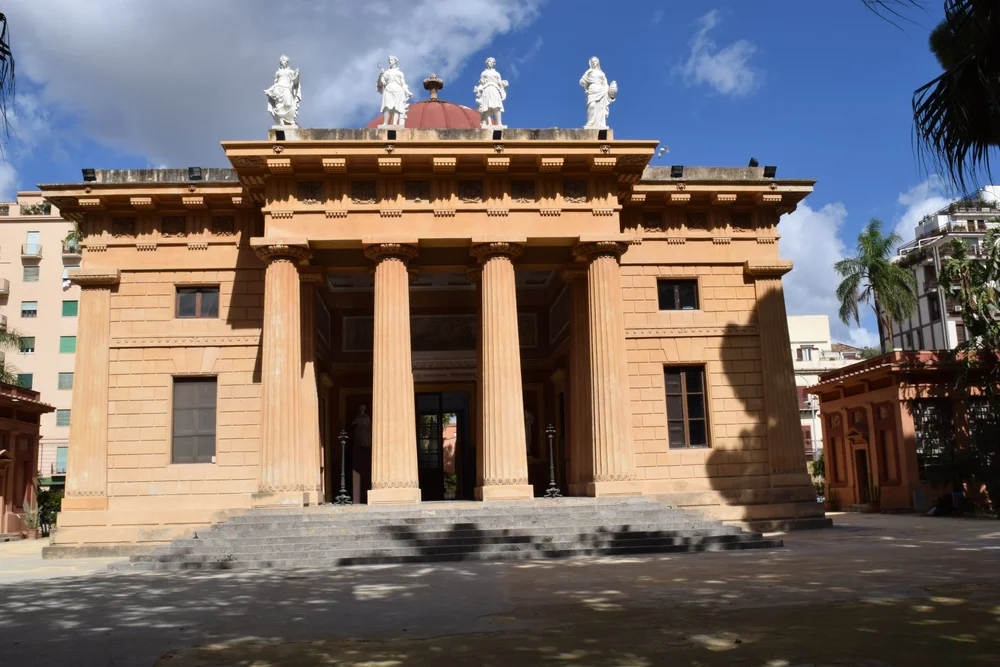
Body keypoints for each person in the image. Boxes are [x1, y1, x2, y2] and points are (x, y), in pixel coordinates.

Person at [579, 56, 617, 129]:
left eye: (595, 61)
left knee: (600, 107)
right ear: (590, 63)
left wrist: (611, 89)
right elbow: (581, 82)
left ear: (598, 62)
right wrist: (587, 74)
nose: (594, 62)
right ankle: (590, 123)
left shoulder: (602, 73)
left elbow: (605, 85)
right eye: (592, 61)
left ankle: (599, 124)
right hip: (592, 90)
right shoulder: (589, 72)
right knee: (592, 105)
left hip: (601, 90)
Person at [264, 55, 301, 126]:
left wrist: (297, 75)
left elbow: (295, 83)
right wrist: (269, 90)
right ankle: (281, 121)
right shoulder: (277, 73)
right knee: (278, 106)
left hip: (287, 89)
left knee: (289, 104)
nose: (286, 62)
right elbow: (275, 83)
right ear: (280, 61)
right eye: (284, 60)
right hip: (278, 90)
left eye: (287, 61)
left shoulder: (290, 71)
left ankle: (290, 120)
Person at [377, 56, 412, 126]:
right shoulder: (386, 72)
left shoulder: (400, 73)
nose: (390, 61)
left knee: (397, 106)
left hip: (398, 89)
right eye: (389, 60)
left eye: (391, 60)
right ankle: (385, 123)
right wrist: (381, 74)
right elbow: (380, 82)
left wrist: (407, 92)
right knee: (386, 106)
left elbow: (403, 84)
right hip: (388, 89)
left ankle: (395, 123)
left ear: (395, 61)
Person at [474, 57, 509, 128]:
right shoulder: (483, 73)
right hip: (486, 89)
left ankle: (499, 123)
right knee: (487, 107)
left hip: (495, 89)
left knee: (497, 106)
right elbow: (481, 83)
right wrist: (479, 89)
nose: (491, 63)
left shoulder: (497, 74)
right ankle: (489, 123)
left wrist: (504, 85)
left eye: (493, 62)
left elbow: (500, 83)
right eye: (490, 61)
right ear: (487, 63)